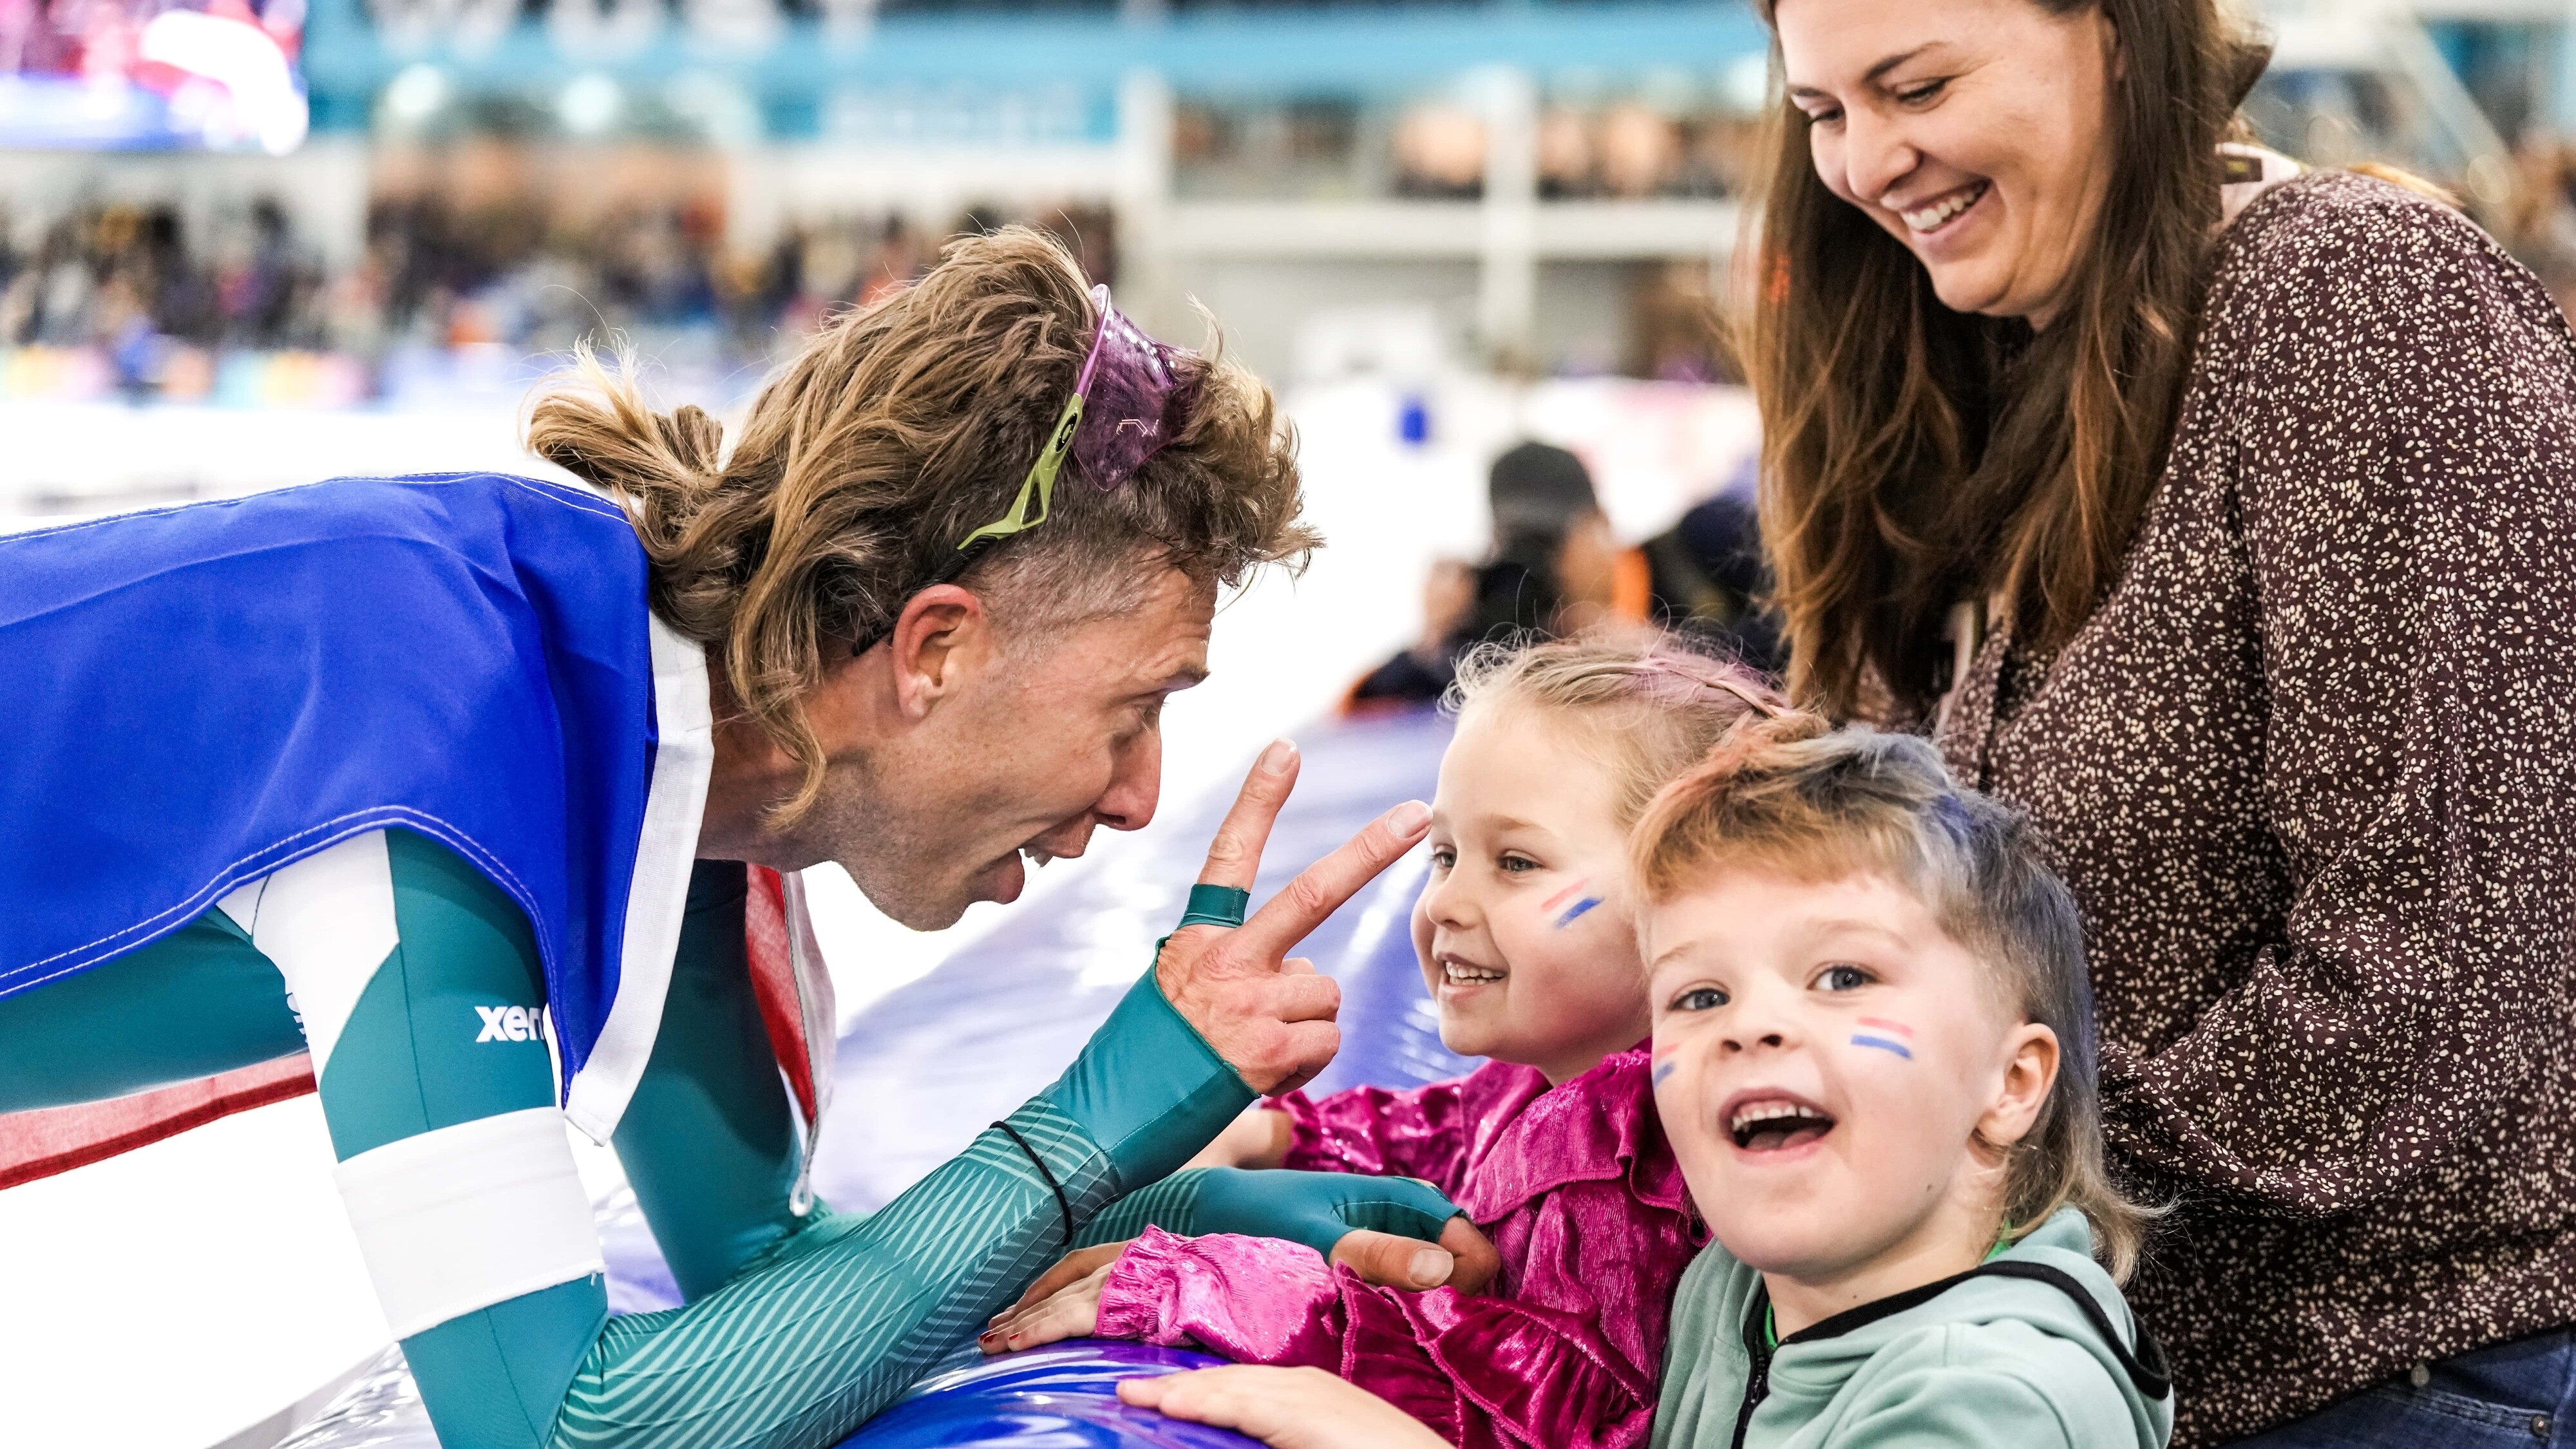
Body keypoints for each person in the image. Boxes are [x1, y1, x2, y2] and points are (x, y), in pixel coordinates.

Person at [0, 228, 1479, 1449]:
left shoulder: (668, 769)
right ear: (935, 651)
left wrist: (1164, 1193)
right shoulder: (429, 756)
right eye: (1131, 708)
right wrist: (1087, 1119)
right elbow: (561, 1431)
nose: (1144, 795)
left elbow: (766, 1283)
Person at [1747, 0, 2576, 1444]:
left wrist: (1936, 1151)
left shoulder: (2352, 303)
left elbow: (2440, 971)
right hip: (2074, 1366)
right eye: (1823, 114)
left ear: (2119, 34)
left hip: (2388, 1376)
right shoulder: (1978, 367)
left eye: (1915, 85)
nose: (1869, 163)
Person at [985, 634, 1784, 1449]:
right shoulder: (1546, 1078)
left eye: (1515, 862)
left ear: (1690, 903)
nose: (1446, 905)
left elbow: (1559, 1404)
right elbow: (1447, 1131)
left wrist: (1226, 1289)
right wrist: (1283, 1133)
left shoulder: (1659, 1144)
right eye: (1444, 856)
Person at [1633, 721, 2167, 1448]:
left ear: (2010, 1084)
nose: (1748, 1024)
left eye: (1844, 977)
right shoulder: (1725, 1290)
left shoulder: (1999, 1402)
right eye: (1698, 996)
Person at [1347, 446, 1779, 712]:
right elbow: (1369, 705)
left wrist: (1668, 653)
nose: (1545, 566)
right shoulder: (1518, 609)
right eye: (1523, 546)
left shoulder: (1703, 544)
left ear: (1601, 524)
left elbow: (1819, 634)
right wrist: (1433, 643)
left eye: (1554, 543)